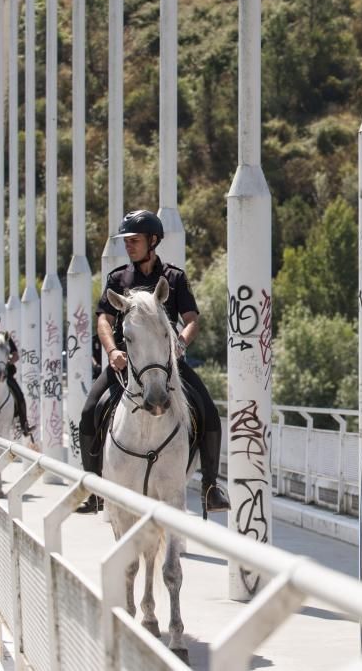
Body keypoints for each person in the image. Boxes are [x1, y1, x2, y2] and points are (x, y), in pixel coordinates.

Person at [76, 209, 230, 514]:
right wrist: (111, 352)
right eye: (127, 241)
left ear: (153, 240)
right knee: (89, 410)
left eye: (134, 240)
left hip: (165, 361)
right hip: (126, 361)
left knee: (209, 412)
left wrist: (182, 343)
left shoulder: (174, 277)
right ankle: (94, 488)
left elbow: (191, 319)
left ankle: (210, 486)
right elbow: (104, 321)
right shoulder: (118, 278)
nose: (129, 245)